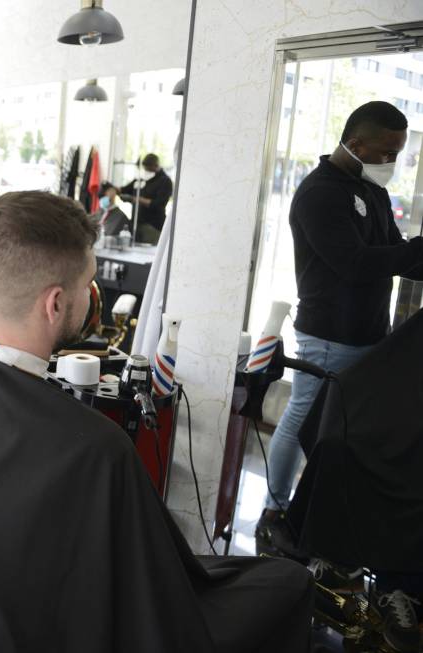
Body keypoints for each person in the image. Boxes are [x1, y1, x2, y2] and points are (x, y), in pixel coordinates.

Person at [0, 191, 314, 653]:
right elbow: (152, 598)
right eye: (86, 284)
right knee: (286, 586)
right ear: (56, 303)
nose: (89, 294)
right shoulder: (97, 447)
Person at [253, 100, 423, 652]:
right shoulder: (318, 194)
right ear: (356, 140)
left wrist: (412, 255)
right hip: (330, 334)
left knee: (341, 434)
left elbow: (390, 251)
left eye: (397, 154)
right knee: (309, 420)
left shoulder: (371, 191)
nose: (391, 161)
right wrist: (412, 255)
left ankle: (321, 520)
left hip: (368, 333)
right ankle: (278, 506)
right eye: (387, 152)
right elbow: (352, 263)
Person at [119, 153, 173, 244]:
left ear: (155, 166)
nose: (145, 171)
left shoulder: (165, 181)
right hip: (137, 225)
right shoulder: (141, 179)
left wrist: (135, 199)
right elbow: (124, 190)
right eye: (144, 168)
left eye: (148, 169)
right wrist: (110, 187)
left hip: (153, 227)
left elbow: (158, 204)